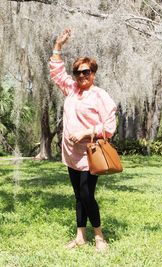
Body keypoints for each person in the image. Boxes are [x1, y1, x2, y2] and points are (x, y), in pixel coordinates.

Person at [49, 28, 117, 252]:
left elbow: (109, 128)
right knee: (78, 196)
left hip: (91, 154)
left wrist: (86, 132)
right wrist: (59, 46)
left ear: (93, 73)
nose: (81, 76)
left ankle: (99, 237)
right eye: (78, 72)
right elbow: (57, 73)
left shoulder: (100, 96)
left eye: (86, 72)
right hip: (71, 153)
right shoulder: (71, 90)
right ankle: (80, 236)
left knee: (88, 194)